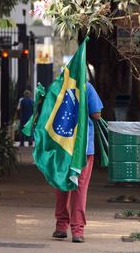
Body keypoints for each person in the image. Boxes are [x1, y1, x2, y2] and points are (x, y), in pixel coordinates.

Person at [52, 81, 103, 243]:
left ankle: (61, 227)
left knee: (62, 185)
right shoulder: (87, 87)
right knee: (80, 188)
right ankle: (77, 231)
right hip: (83, 148)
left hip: (63, 145)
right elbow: (96, 114)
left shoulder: (59, 85)